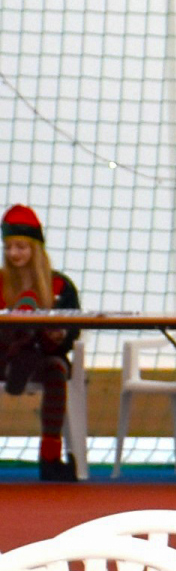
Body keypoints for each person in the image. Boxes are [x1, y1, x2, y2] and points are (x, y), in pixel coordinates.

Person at [2, 205, 82, 481]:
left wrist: (61, 336)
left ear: (35, 248)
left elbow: (74, 328)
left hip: (44, 356)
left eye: (21, 247)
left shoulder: (60, 286)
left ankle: (50, 458)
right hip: (3, 356)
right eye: (8, 247)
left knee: (56, 369)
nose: (14, 254)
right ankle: (18, 355)